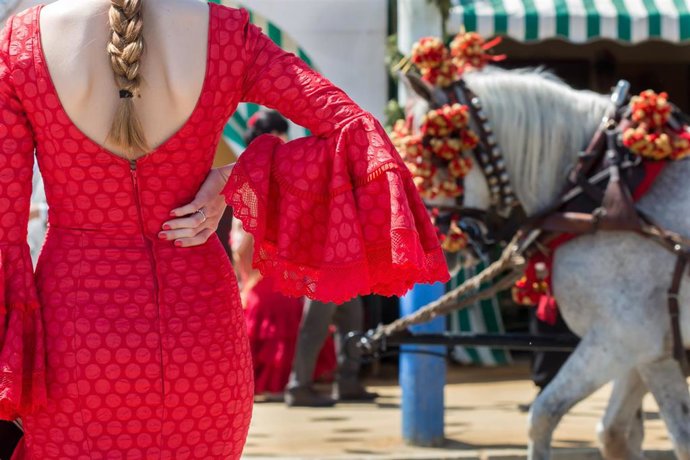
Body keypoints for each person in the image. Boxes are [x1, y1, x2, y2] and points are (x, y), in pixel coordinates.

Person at [0, 1, 449, 459]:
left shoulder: (22, 42)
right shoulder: (223, 33)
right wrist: (232, 179)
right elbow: (354, 129)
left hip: (74, 338)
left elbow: (3, 230)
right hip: (203, 335)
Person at [233, 110, 336, 401]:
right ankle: (291, 382)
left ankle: (288, 382)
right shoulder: (269, 171)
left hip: (269, 256)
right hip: (269, 256)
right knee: (281, 304)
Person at [285, 297, 378, 407]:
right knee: (314, 329)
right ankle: (298, 387)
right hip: (322, 280)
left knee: (351, 320)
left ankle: (347, 383)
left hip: (347, 279)